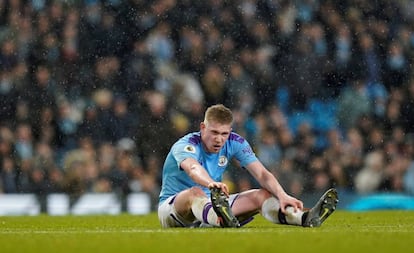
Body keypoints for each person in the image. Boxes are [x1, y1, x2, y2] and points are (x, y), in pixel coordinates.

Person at [158, 104, 338, 228]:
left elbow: (262, 174)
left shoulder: (235, 142)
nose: (219, 139)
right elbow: (193, 168)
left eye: (224, 133)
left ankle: (304, 219)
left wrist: (282, 195)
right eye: (214, 132)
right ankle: (220, 219)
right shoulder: (186, 144)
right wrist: (210, 184)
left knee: (262, 195)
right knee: (195, 193)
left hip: (212, 204)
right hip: (174, 210)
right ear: (203, 127)